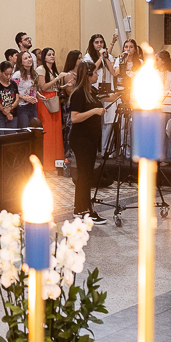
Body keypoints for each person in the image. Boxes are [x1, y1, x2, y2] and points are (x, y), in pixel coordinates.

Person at [67, 61, 106, 223]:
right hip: (81, 139)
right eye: (95, 73)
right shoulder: (78, 93)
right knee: (85, 175)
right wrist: (94, 111)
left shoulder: (92, 91)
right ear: (88, 76)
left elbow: (108, 96)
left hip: (90, 138)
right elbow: (74, 118)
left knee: (85, 174)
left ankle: (79, 209)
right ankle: (86, 210)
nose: (97, 75)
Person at [82, 33, 117, 151]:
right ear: (92, 44)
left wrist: (106, 57)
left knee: (109, 121)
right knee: (96, 120)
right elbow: (92, 69)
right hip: (94, 90)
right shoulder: (88, 57)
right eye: (96, 42)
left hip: (107, 90)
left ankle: (107, 149)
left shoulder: (108, 56)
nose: (99, 44)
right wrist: (101, 58)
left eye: (101, 42)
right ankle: (94, 148)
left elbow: (113, 72)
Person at [156, 51, 171, 165]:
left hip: (166, 108)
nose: (155, 62)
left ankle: (166, 157)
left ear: (163, 61)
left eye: (157, 59)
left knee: (165, 133)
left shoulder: (170, 75)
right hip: (156, 107)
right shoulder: (154, 73)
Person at [12, 51, 40, 128]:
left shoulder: (33, 73)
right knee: (24, 130)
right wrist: (25, 97)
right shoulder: (18, 74)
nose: (29, 59)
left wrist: (39, 95)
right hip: (22, 106)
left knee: (34, 128)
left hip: (32, 105)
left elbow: (33, 88)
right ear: (21, 63)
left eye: (29, 57)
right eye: (25, 58)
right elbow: (13, 91)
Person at [0, 62, 19, 131]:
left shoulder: (13, 83)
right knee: (0, 137)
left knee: (11, 138)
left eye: (10, 74)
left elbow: (17, 99)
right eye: (6, 74)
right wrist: (5, 111)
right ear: (1, 72)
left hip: (12, 113)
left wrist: (10, 108)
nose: (8, 77)